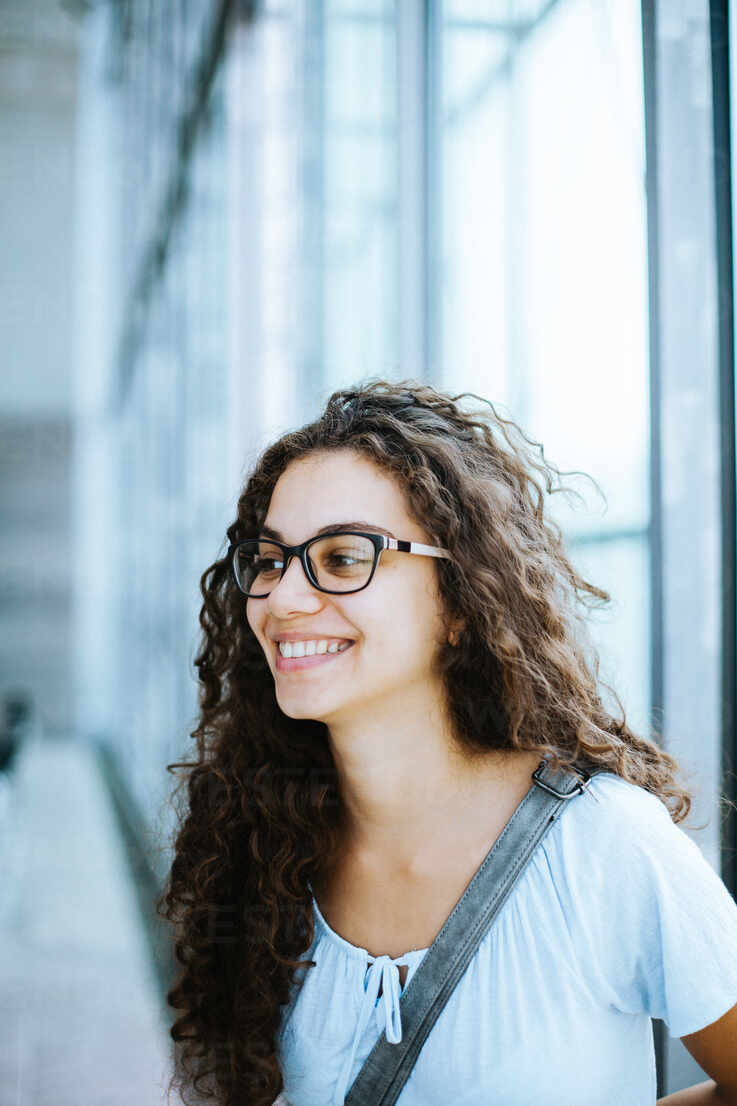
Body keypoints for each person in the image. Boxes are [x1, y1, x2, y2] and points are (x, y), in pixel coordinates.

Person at [161, 380, 737, 1106]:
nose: (282, 598)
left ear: (461, 600)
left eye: (343, 558)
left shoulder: (604, 847)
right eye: (269, 560)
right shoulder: (259, 846)